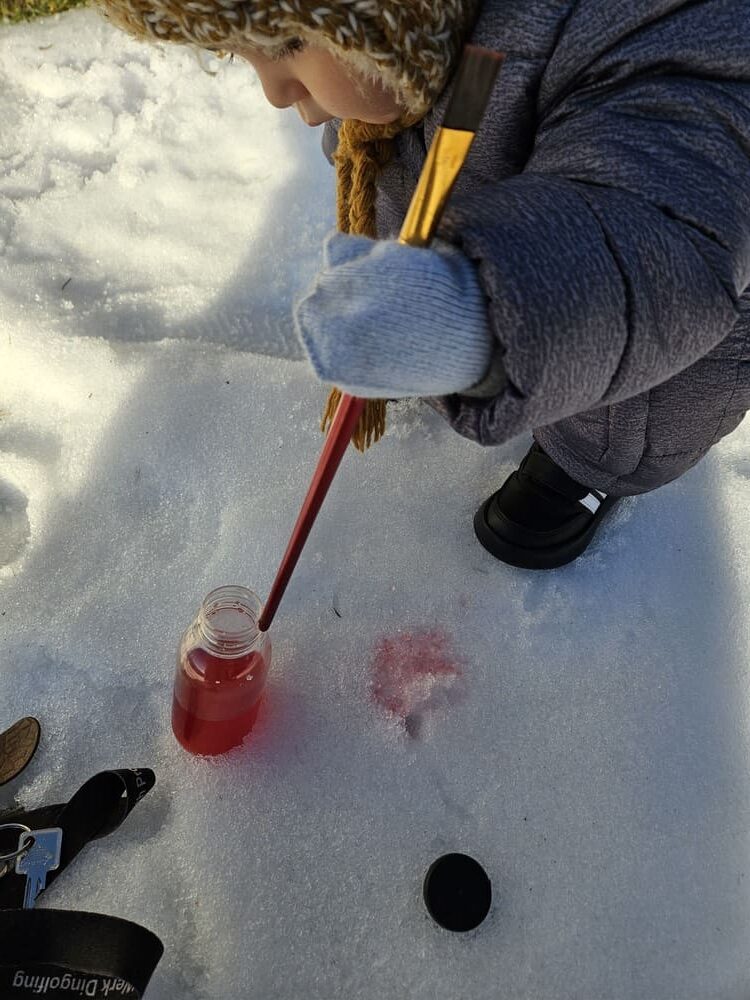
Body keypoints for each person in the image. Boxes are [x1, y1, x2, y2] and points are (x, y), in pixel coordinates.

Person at [95, 0, 750, 569]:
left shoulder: (660, 27)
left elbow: (657, 225)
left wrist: (475, 315)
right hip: (473, 212)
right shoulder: (407, 71)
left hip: (643, 330)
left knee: (620, 414)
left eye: (288, 45)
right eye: (240, 55)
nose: (274, 92)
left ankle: (586, 471)